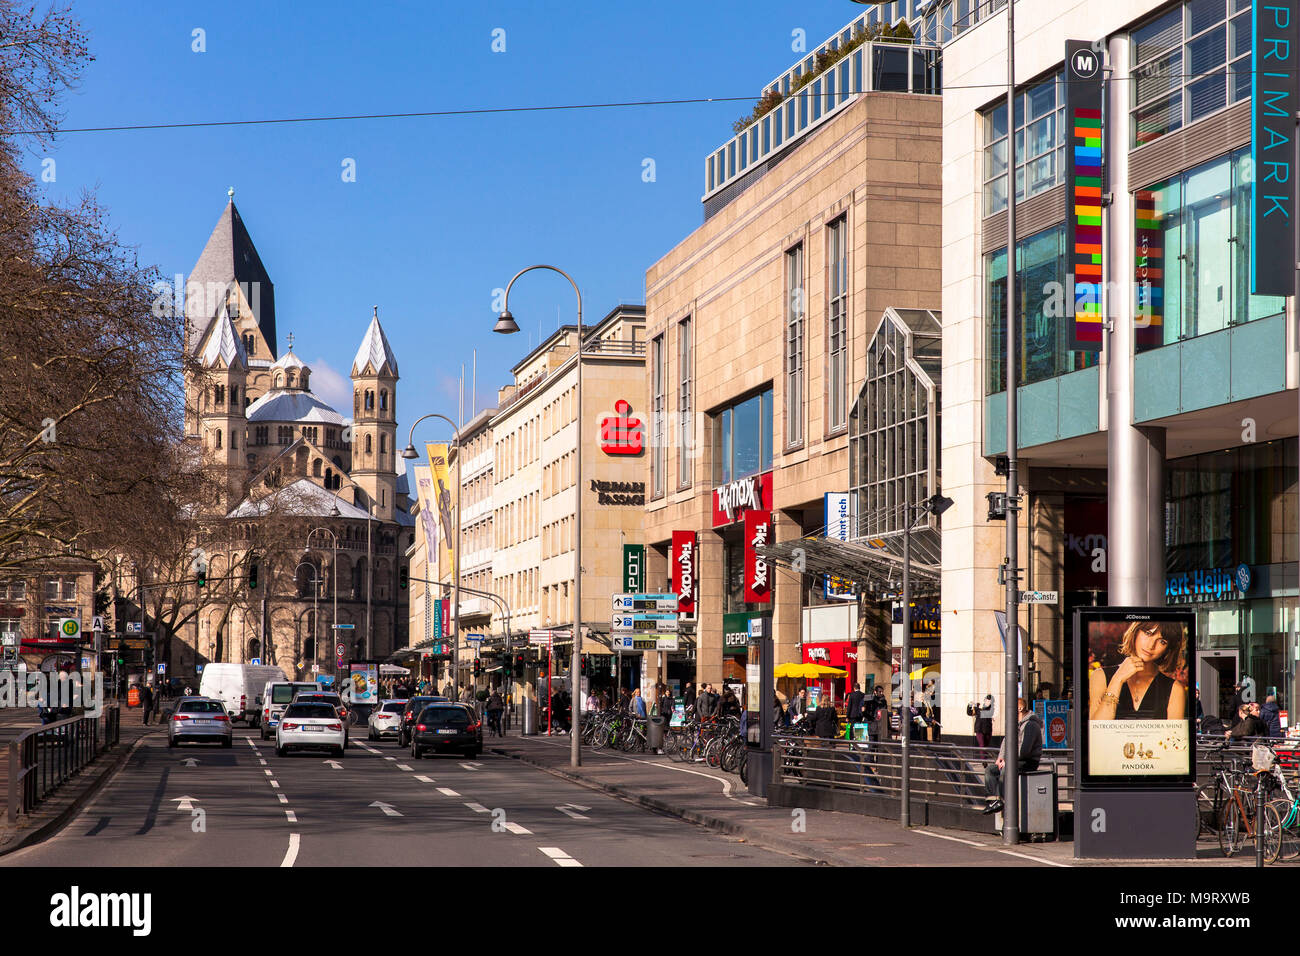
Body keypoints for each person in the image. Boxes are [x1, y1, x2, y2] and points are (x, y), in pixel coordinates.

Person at [1088, 620, 1187, 721]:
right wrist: (1117, 679)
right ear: (1135, 632)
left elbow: (1175, 736)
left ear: (1168, 649)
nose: (1151, 645)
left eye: (1162, 641)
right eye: (1148, 633)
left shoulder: (1174, 689)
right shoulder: (1100, 676)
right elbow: (1096, 731)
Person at [982, 697, 1043, 815]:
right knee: (990, 770)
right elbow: (1006, 741)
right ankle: (993, 800)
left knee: (1006, 769)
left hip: (1028, 761)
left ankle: (1003, 799)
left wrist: (1008, 761)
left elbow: (1024, 750)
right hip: (1013, 759)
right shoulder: (1015, 724)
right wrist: (1001, 757)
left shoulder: (1030, 725)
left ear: (1020, 708)